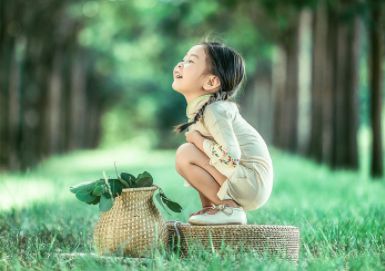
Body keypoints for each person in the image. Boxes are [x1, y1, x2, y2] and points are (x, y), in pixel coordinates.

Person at [172, 40, 274, 225]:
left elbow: (231, 156)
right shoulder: (202, 111)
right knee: (189, 152)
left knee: (186, 153)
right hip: (244, 181)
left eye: (190, 61)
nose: (180, 64)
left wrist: (198, 141)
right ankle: (217, 209)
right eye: (183, 59)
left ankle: (229, 209)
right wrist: (207, 208)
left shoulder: (214, 111)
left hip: (251, 182)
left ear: (211, 82)